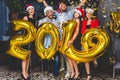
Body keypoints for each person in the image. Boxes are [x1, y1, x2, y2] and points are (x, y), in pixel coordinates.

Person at [38, 6, 62, 77]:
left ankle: (55, 73)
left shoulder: (56, 21)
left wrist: (60, 40)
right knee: (45, 57)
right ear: (46, 13)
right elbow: (39, 33)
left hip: (54, 42)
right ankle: (46, 70)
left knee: (56, 57)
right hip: (45, 42)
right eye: (48, 12)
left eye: (51, 12)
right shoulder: (41, 21)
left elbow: (60, 32)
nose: (50, 13)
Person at [81, 8, 99, 80]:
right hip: (84, 41)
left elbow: (97, 32)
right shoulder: (84, 22)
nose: (88, 14)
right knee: (86, 58)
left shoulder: (95, 21)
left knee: (92, 56)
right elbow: (82, 32)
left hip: (92, 42)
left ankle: (94, 60)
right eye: (87, 13)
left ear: (91, 14)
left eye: (89, 13)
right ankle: (88, 75)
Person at [22, 4, 37, 80]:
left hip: (32, 39)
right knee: (25, 56)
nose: (31, 10)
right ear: (27, 11)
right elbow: (25, 28)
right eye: (30, 9)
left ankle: (27, 72)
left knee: (29, 56)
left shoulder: (35, 19)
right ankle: (23, 72)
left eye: (32, 9)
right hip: (26, 38)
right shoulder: (26, 18)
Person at [67, 8, 83, 79]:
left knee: (72, 56)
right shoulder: (73, 19)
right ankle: (72, 72)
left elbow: (76, 31)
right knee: (68, 56)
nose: (75, 14)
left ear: (79, 15)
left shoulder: (77, 20)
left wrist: (72, 40)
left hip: (75, 39)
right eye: (75, 13)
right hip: (69, 38)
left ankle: (77, 72)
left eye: (77, 13)